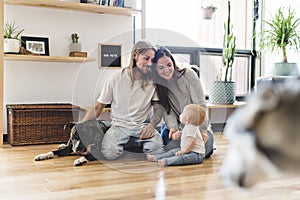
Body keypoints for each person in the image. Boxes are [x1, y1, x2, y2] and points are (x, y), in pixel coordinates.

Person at [82, 40, 164, 160]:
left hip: (142, 126)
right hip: (119, 126)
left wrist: (152, 126)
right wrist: (81, 129)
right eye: (146, 58)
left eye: (152, 60)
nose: (149, 63)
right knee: (110, 153)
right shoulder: (115, 78)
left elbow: (158, 109)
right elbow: (99, 107)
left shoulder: (153, 82)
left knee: (157, 150)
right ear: (135, 55)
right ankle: (129, 143)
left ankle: (130, 143)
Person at [150, 46, 214, 158]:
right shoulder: (158, 86)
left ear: (173, 63)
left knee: (206, 149)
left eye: (169, 65)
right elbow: (167, 112)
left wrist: (203, 130)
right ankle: (184, 152)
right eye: (161, 67)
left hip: (196, 124)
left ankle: (186, 152)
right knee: (172, 145)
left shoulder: (188, 75)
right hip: (177, 126)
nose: (167, 70)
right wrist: (174, 129)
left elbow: (201, 105)